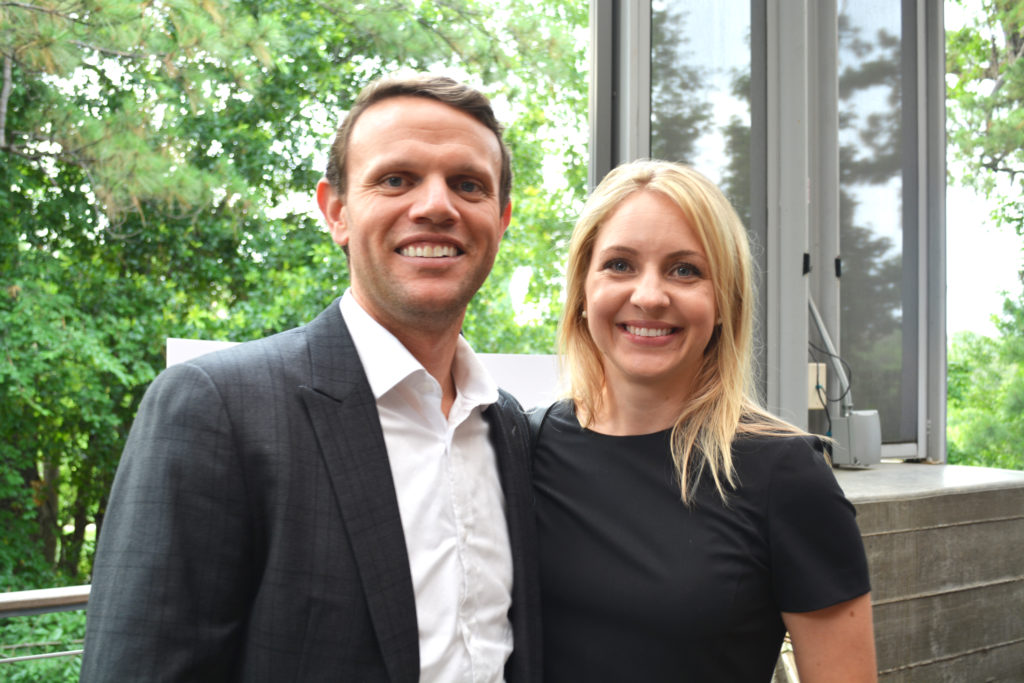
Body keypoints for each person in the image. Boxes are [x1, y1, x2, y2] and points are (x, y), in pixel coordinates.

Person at [81, 73, 541, 682]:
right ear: (337, 213)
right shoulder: (216, 407)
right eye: (396, 179)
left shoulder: (507, 426)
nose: (435, 206)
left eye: (468, 184)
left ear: (501, 219)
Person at [531, 160, 877, 682]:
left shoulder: (783, 474)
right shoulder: (524, 445)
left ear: (724, 303)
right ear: (582, 290)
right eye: (620, 264)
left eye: (685, 270)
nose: (648, 296)